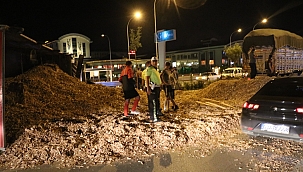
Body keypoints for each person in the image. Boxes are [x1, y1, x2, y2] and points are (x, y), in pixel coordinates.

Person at [146, 56, 162, 122]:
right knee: (153, 102)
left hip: (157, 87)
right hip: (153, 87)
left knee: (156, 102)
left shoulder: (155, 69)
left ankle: (155, 116)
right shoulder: (150, 69)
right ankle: (154, 117)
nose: (155, 62)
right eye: (153, 61)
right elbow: (147, 78)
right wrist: (148, 88)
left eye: (156, 61)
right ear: (151, 62)